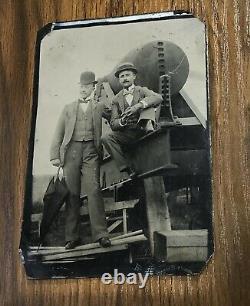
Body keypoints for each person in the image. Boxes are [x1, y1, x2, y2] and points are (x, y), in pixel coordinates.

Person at [50, 71, 111, 249]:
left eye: (87, 86)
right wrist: (55, 155)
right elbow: (58, 132)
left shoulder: (99, 106)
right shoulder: (68, 108)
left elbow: (115, 115)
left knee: (94, 191)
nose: (83, 89)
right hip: (71, 153)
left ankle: (101, 235)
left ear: (93, 88)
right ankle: (72, 237)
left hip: (91, 151)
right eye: (81, 86)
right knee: (72, 193)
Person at [101, 62, 163, 177]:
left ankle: (149, 130)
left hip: (143, 128)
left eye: (127, 75)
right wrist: (122, 121)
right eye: (122, 76)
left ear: (134, 76)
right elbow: (113, 123)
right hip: (128, 133)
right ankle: (125, 167)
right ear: (119, 80)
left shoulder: (141, 90)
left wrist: (138, 106)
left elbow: (158, 97)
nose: (125, 78)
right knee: (106, 137)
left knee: (147, 104)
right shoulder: (116, 99)